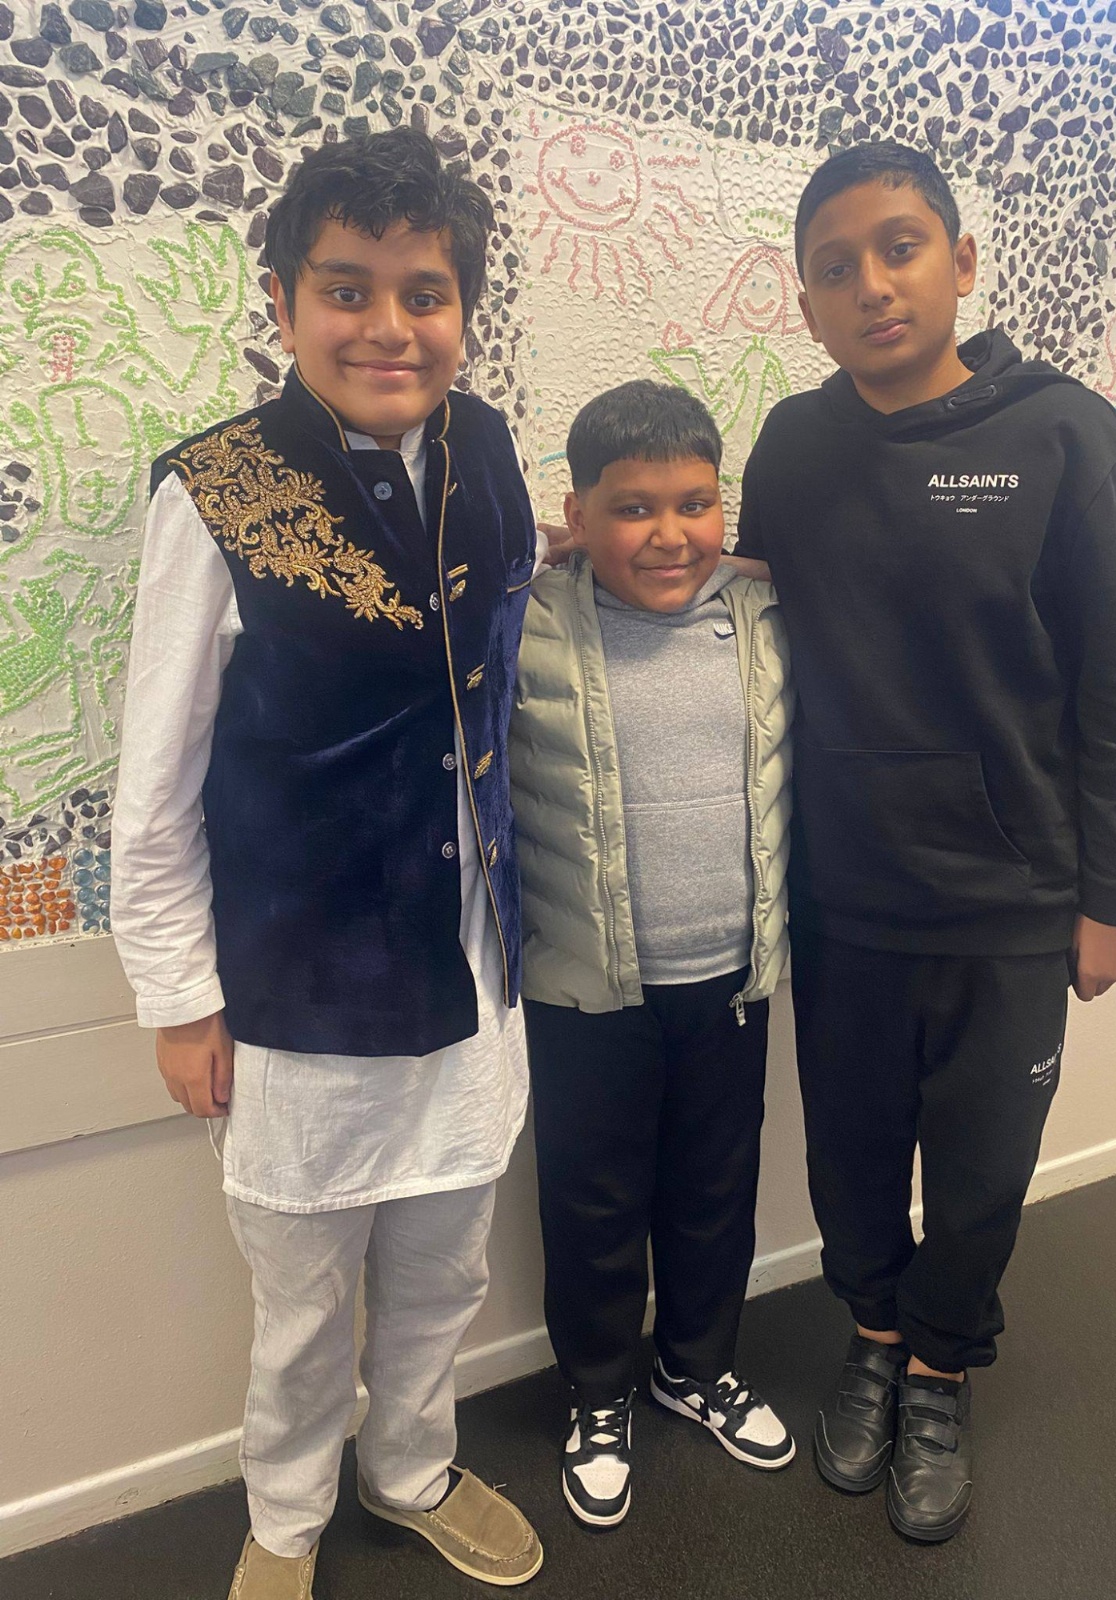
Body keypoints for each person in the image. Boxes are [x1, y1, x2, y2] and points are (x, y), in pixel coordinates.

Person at [111, 128, 545, 1598]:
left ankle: (410, 1468)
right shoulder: (218, 491)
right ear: (286, 303)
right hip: (298, 994)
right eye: (347, 289)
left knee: (445, 1273)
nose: (388, 326)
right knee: (302, 1311)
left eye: (425, 293)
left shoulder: (487, 450)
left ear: (464, 308)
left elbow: (489, 635)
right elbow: (157, 780)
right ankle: (285, 1518)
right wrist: (179, 998)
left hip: (473, 970)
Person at [735, 139, 1116, 1543]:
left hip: (1013, 897)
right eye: (835, 268)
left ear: (961, 260)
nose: (872, 285)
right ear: (808, 303)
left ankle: (939, 1369)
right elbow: (750, 614)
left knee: (983, 1171)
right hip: (844, 895)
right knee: (853, 1161)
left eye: (899, 247)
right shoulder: (795, 447)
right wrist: (618, 564)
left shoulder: (1063, 433)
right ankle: (874, 1336)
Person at [509, 380, 797, 1529]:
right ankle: (598, 1391)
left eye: (694, 504)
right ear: (577, 514)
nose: (669, 534)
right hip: (586, 987)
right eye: (633, 509)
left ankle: (696, 1366)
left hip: (730, 975)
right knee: (593, 1203)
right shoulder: (523, 616)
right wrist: (514, 547)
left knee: (715, 1190)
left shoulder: (765, 611)